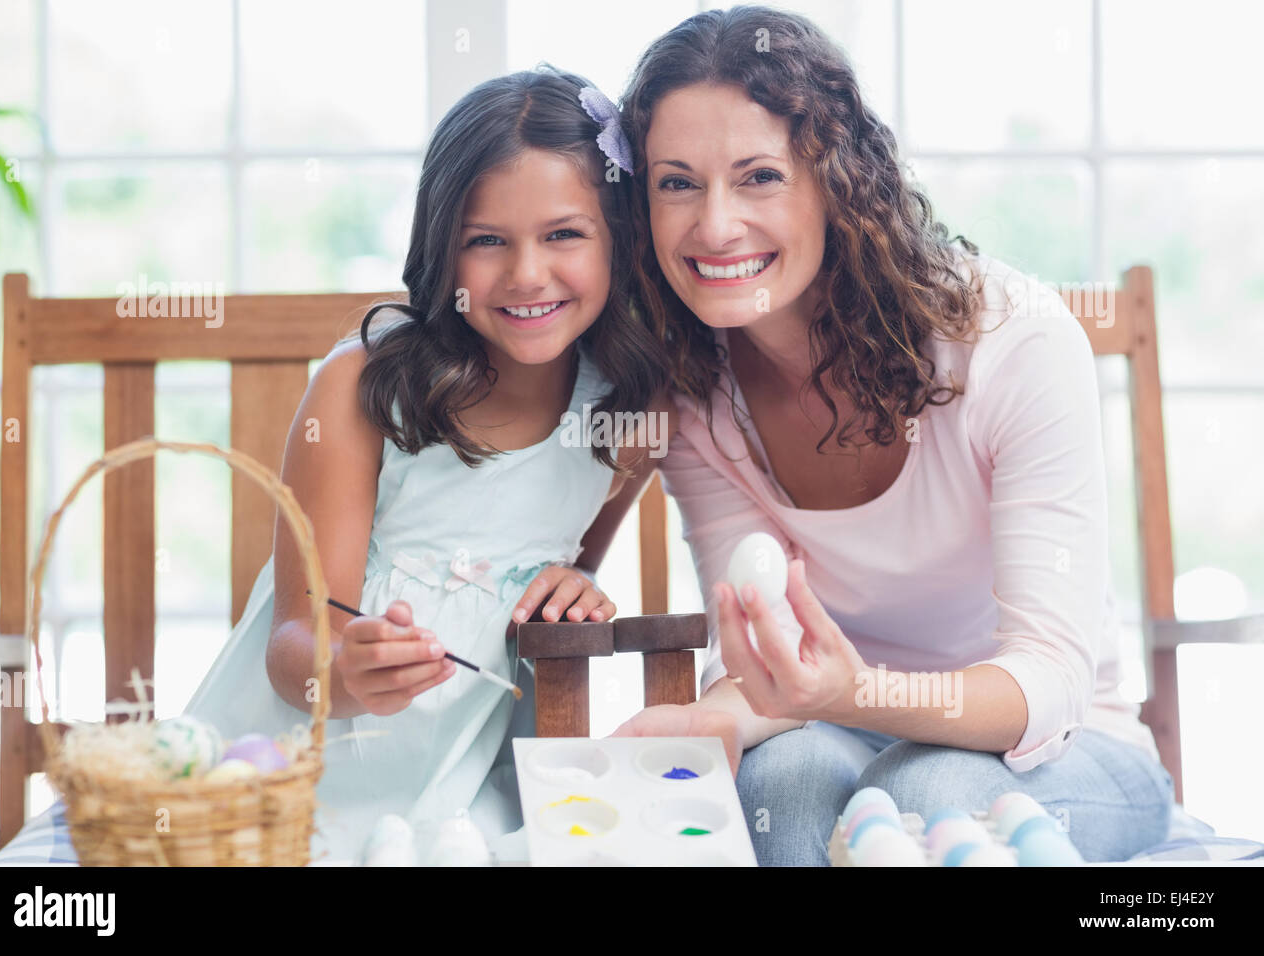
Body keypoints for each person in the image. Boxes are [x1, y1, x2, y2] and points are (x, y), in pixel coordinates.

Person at [605, 6, 1173, 865]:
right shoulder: (696, 393)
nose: (714, 225)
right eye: (676, 182)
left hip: (1068, 749)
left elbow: (1050, 685)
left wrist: (856, 690)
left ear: (835, 182)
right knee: (780, 788)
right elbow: (771, 666)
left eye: (759, 176)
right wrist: (709, 721)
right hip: (833, 732)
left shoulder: (1011, 341)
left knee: (927, 796)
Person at [179, 66, 667, 862]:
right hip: (282, 780)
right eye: (486, 241)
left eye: (564, 234)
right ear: (442, 247)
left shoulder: (627, 416)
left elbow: (558, 585)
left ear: (620, 236)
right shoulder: (365, 387)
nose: (526, 274)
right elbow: (295, 643)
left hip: (452, 794)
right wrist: (347, 673)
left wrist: (577, 589)